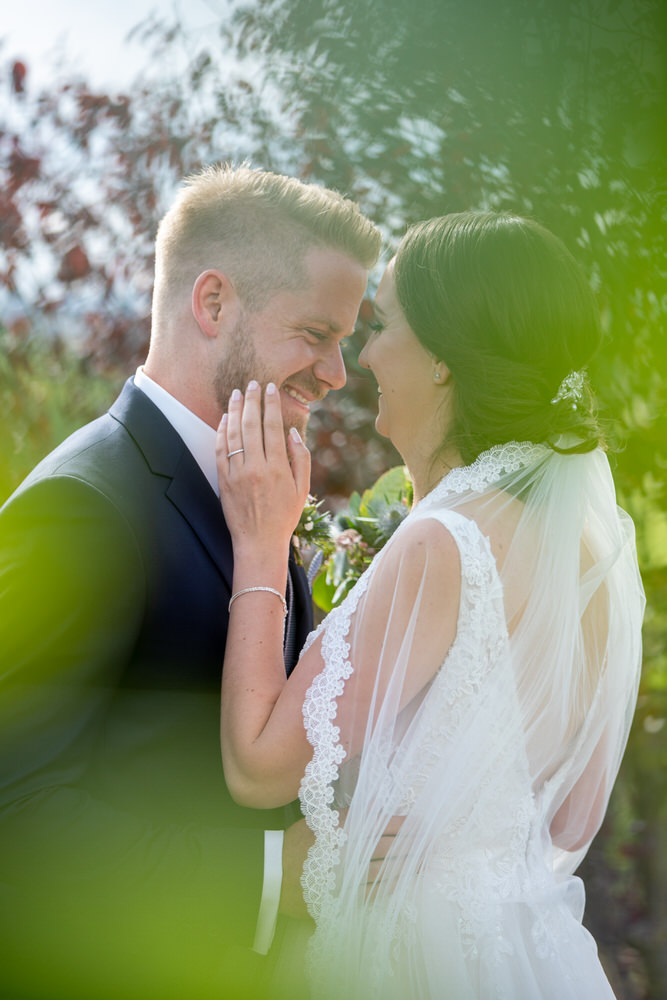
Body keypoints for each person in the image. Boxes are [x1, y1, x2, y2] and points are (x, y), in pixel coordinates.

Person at [216, 212, 645, 999]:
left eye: (383, 324)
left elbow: (257, 768)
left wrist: (259, 537)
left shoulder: (442, 542)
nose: (364, 356)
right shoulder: (590, 556)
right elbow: (569, 820)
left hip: (414, 958)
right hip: (531, 952)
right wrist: (443, 815)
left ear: (443, 359)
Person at [0, 163, 381, 1000]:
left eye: (346, 341)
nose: (336, 373)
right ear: (213, 303)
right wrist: (273, 877)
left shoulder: (256, 496)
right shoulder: (82, 507)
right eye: (316, 333)